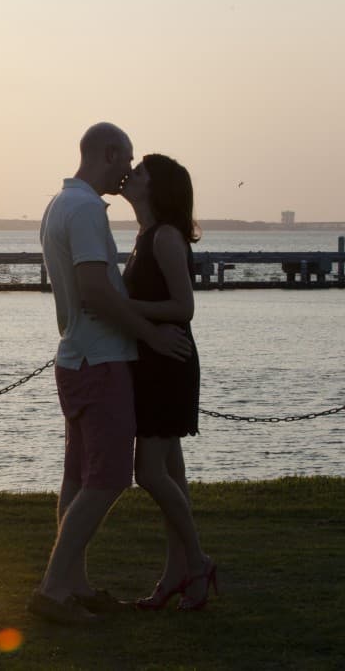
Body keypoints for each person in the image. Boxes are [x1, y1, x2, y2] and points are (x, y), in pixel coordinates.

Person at [28, 122, 193, 625]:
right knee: (108, 478)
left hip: (76, 357)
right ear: (110, 152)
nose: (128, 170)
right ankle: (55, 588)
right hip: (99, 360)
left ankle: (74, 584)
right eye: (127, 159)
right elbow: (97, 291)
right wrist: (150, 334)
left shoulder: (61, 204)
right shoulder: (84, 210)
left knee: (79, 476)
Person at [120, 154, 218, 611]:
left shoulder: (164, 238)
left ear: (155, 187)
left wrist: (127, 311)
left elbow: (184, 306)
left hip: (169, 362)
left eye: (140, 171)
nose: (130, 174)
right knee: (172, 475)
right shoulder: (145, 236)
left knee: (148, 472)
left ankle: (197, 562)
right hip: (153, 359)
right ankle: (178, 576)